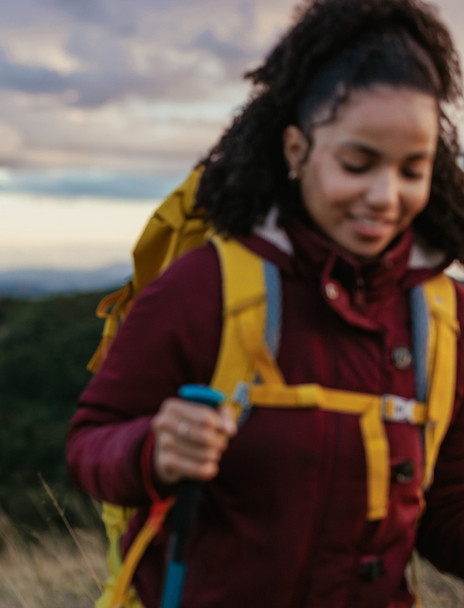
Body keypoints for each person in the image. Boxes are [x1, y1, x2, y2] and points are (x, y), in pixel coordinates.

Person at [66, 0, 464, 606]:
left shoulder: (443, 315)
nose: (386, 196)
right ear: (297, 149)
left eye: (413, 170)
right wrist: (154, 449)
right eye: (358, 164)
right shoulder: (207, 288)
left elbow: (442, 507)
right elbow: (90, 441)